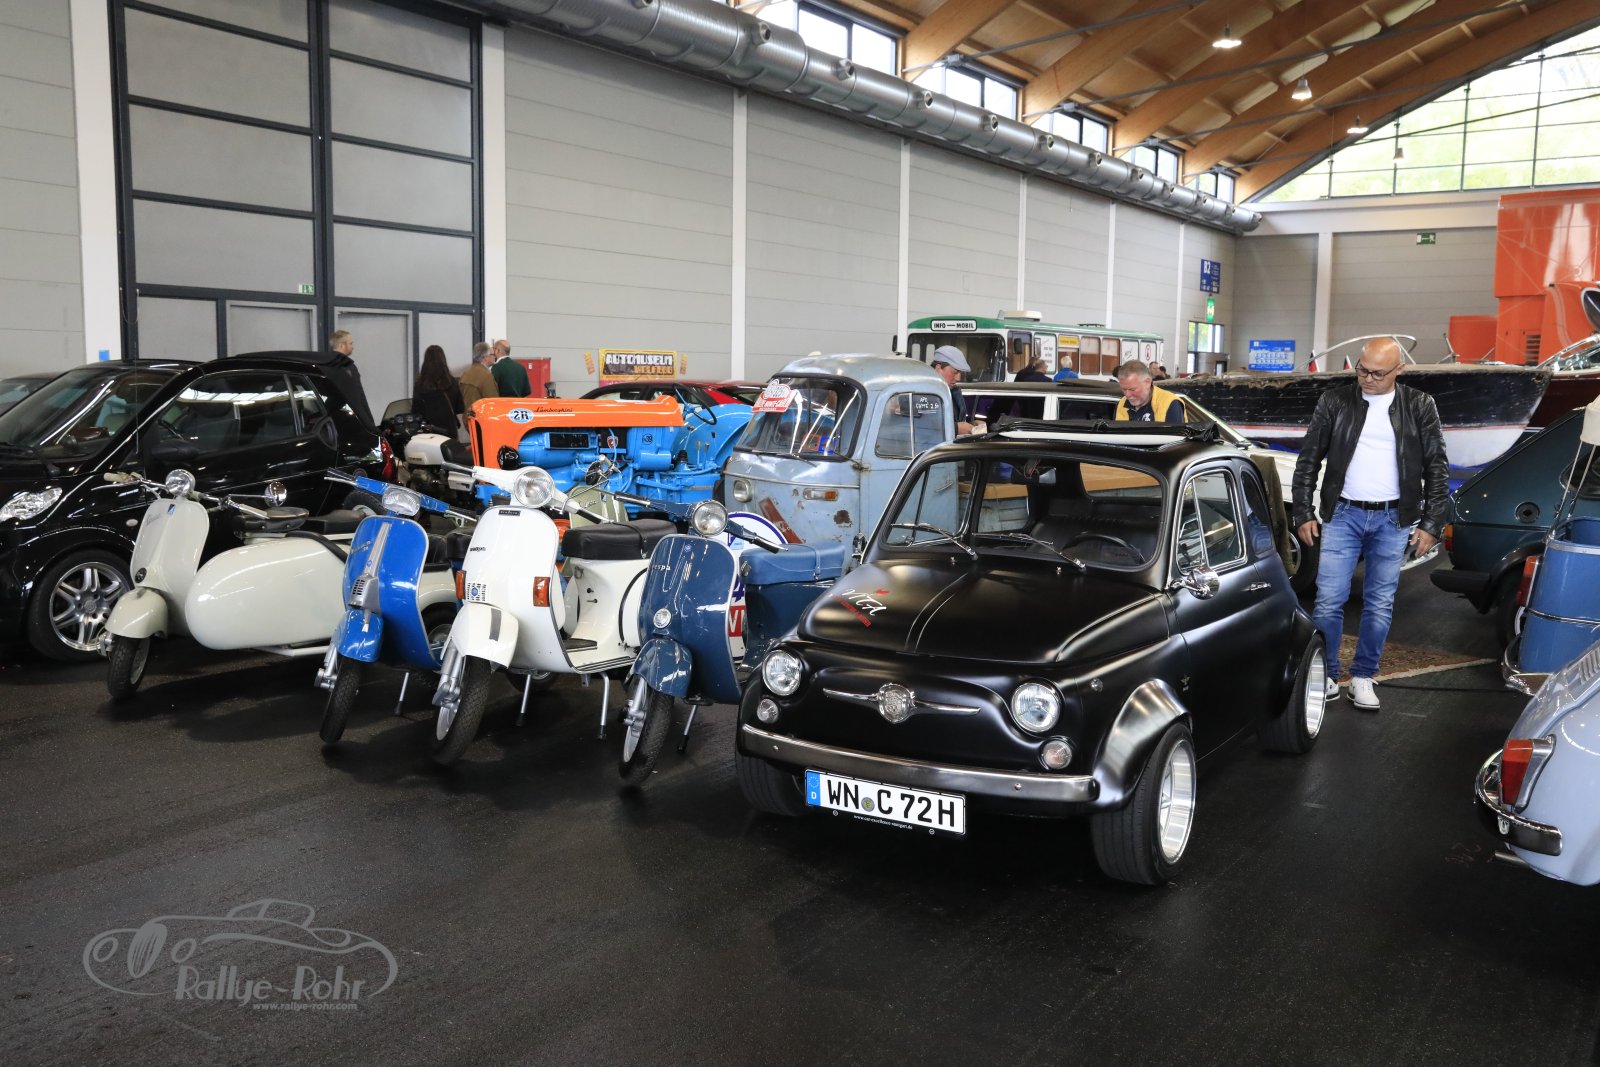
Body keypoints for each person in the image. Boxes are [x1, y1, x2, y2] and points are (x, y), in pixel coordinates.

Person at [1291, 336, 1448, 712]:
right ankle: (1327, 674)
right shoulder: (1334, 401)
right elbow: (1309, 458)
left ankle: (1363, 675)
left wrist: (1431, 524)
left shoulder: (1419, 405)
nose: (1367, 379)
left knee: (1379, 603)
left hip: (1393, 519)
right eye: (1362, 370)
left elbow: (1436, 467)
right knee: (1328, 600)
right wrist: (1303, 512)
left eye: (1378, 373)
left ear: (1399, 370)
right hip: (1343, 515)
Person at [323, 329, 375, 429]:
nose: (352, 347)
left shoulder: (324, 365)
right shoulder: (347, 367)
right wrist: (369, 423)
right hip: (350, 422)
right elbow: (359, 396)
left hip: (329, 423)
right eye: (350, 343)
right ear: (342, 345)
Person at [411, 344, 462, 435]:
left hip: (427, 431)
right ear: (443, 361)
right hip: (448, 430)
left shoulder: (419, 385)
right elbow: (460, 408)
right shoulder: (452, 382)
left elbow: (415, 411)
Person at [1114, 360, 1185, 423]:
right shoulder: (1121, 404)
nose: (1127, 395)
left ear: (1147, 382)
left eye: (1132, 389)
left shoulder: (1169, 403)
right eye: (1124, 389)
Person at [930, 345, 974, 435]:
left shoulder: (952, 392)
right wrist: (956, 428)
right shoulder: (922, 394)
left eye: (960, 372)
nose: (958, 378)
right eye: (955, 372)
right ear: (939, 369)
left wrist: (972, 425)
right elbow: (921, 426)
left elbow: (953, 421)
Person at [460, 342, 500, 415]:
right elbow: (493, 402)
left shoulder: (465, 374)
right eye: (492, 354)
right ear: (485, 357)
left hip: (467, 417)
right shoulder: (486, 376)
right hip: (480, 418)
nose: (495, 357)